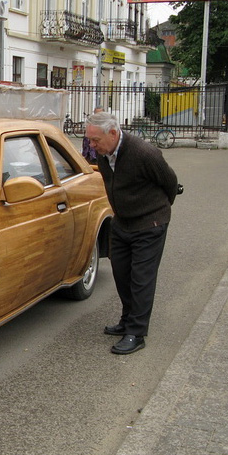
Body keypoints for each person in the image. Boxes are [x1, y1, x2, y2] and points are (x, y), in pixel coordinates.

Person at [85, 111, 179, 355]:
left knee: (141, 279)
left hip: (150, 223)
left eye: (95, 140)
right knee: (122, 274)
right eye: (90, 140)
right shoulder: (105, 155)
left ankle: (136, 333)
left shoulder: (144, 153)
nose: (92, 146)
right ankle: (127, 320)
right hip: (122, 222)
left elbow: (169, 182)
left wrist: (155, 213)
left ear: (113, 133)